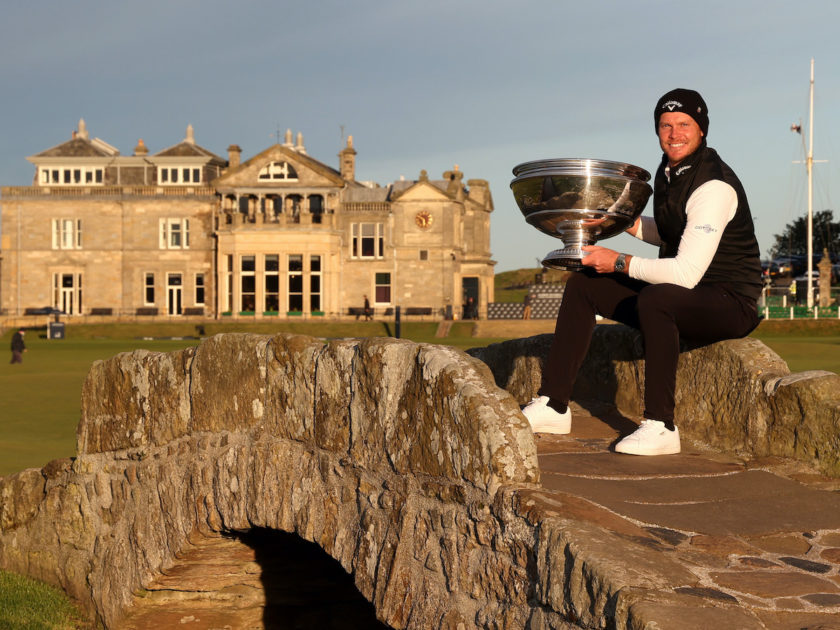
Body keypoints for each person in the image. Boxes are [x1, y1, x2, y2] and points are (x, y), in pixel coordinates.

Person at [523, 88, 762, 456]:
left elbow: (684, 274)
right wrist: (623, 223)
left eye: (684, 124)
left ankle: (661, 426)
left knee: (657, 298)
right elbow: (671, 232)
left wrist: (618, 261)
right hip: (687, 295)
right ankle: (554, 405)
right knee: (585, 283)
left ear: (702, 129)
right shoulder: (670, 172)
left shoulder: (714, 185)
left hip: (731, 301)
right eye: (665, 125)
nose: (674, 133)